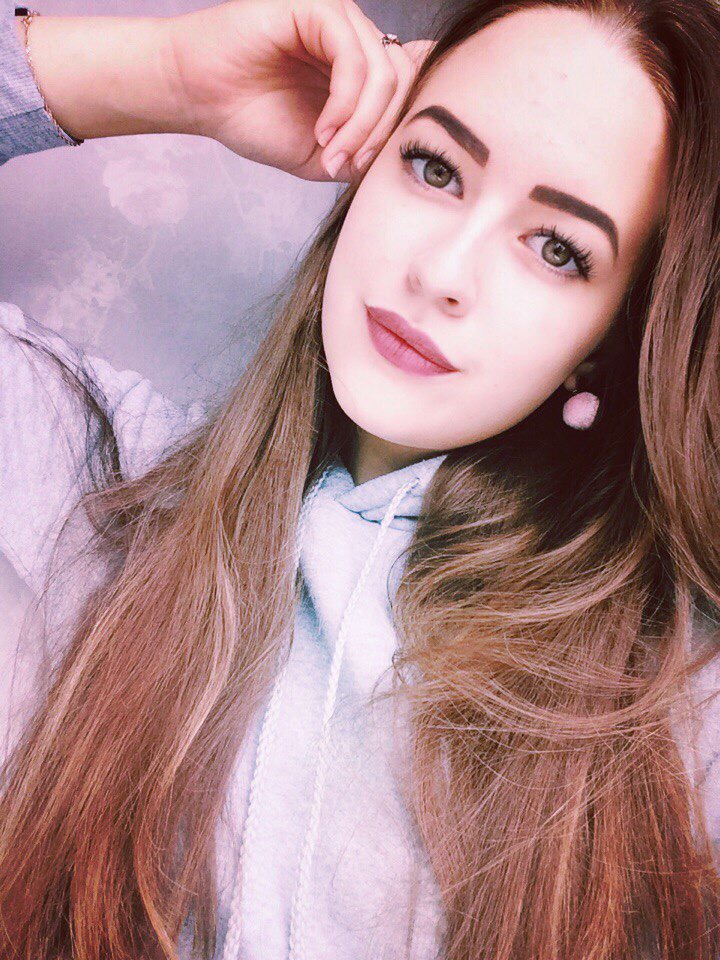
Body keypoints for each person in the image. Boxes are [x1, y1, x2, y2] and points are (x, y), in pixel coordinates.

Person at [0, 0, 719, 957]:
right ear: (366, 170)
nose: (444, 271)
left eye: (558, 249)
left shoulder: (675, 708)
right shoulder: (89, 477)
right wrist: (170, 74)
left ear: (610, 338)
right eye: (435, 167)